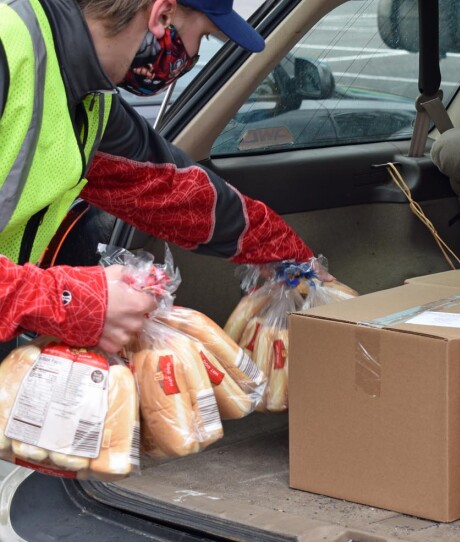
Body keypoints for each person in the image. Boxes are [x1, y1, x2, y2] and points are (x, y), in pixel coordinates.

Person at [0, 0, 328, 354]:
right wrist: (66, 301)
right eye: (201, 35)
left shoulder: (88, 97)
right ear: (162, 15)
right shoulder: (8, 50)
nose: (192, 55)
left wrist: (281, 251)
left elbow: (169, 189)